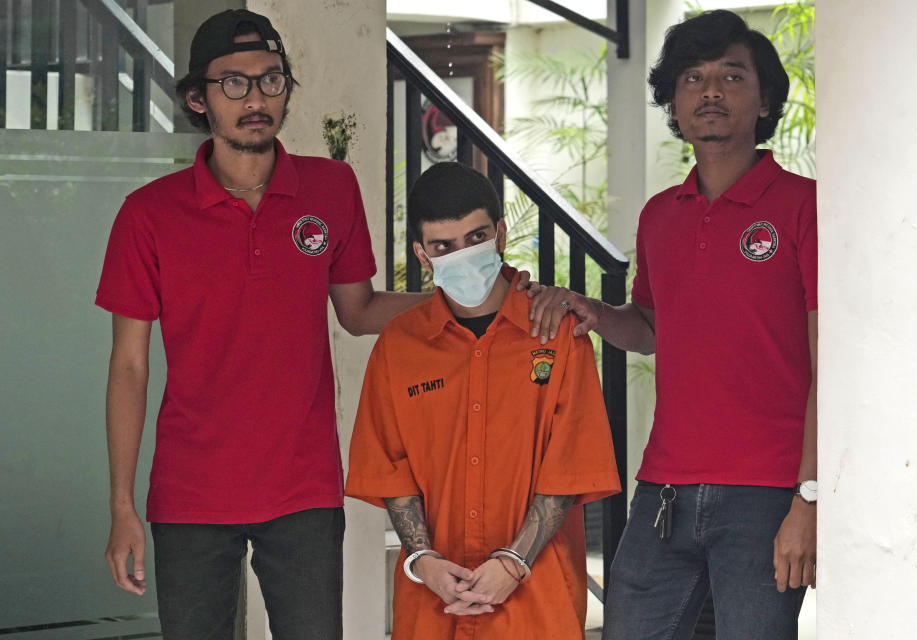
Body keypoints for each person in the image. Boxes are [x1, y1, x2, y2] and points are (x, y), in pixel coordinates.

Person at [96, 9, 430, 637]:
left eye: (271, 80)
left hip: (303, 489)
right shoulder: (148, 215)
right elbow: (129, 365)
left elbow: (358, 312)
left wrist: (468, 299)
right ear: (199, 97)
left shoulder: (332, 188)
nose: (256, 98)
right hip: (191, 493)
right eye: (234, 83)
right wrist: (121, 508)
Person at [527, 10, 818, 639]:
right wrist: (596, 314)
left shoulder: (806, 207)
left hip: (767, 494)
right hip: (663, 490)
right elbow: (654, 327)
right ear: (674, 100)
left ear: (766, 98)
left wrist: (810, 498)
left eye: (732, 76)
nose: (710, 91)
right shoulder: (661, 215)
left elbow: (831, 363)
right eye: (693, 77)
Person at [345, 162, 621, 639]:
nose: (463, 255)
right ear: (422, 254)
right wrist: (423, 560)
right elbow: (391, 470)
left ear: (500, 232)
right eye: (443, 247)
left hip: (538, 601)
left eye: (476, 238)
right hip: (432, 603)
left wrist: (513, 562)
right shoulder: (398, 347)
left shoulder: (559, 335)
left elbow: (572, 465)